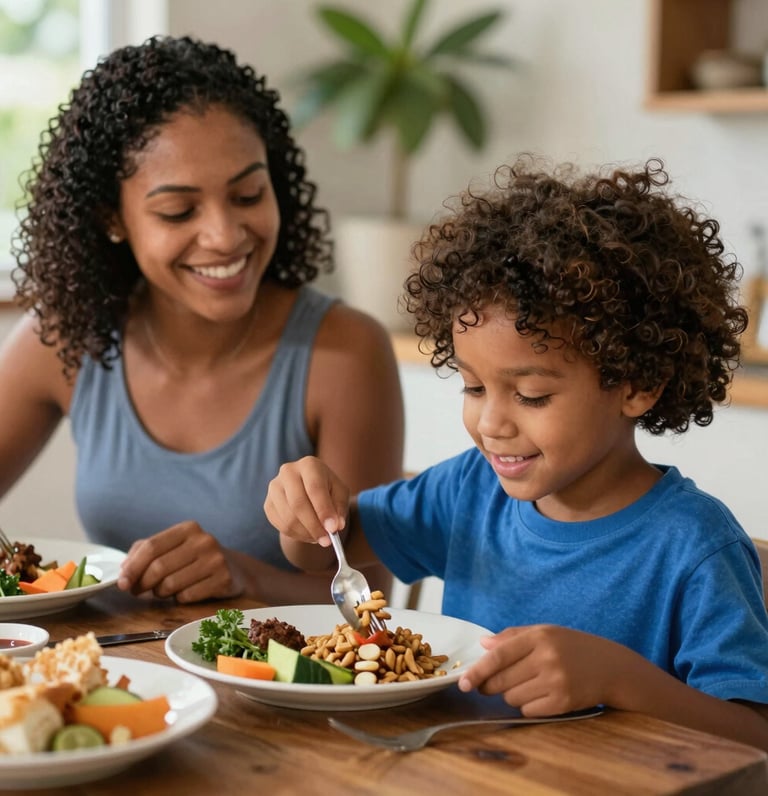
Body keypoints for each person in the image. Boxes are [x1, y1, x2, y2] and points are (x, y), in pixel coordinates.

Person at [265, 156, 768, 750]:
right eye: (474, 387)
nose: (490, 423)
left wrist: (617, 678)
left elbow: (754, 742)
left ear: (637, 384)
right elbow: (323, 557)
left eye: (530, 395)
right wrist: (302, 511)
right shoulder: (468, 490)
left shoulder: (695, 546)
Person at [0, 35, 404, 605]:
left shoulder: (344, 352)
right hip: (105, 677)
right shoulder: (68, 337)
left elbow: (366, 603)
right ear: (112, 218)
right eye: (178, 211)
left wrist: (244, 577)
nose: (224, 235)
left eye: (248, 194)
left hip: (271, 690)